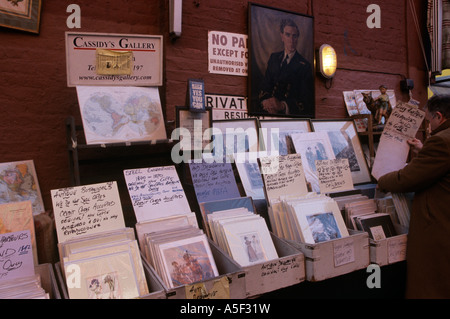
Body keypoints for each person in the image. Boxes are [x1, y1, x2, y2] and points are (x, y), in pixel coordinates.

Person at [377, 94, 450, 299]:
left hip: (439, 229)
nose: (428, 127)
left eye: (428, 121)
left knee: (433, 285)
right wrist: (423, 149)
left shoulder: (441, 142)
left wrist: (382, 179)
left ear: (439, 116)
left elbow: (407, 179)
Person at [258, 18, 313, 115]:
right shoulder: (274, 58)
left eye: (294, 36)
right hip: (267, 111)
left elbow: (305, 102)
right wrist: (266, 103)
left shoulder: (305, 66)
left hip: (288, 115)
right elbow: (265, 87)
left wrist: (282, 106)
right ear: (282, 36)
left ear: (298, 38)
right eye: (288, 35)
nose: (291, 40)